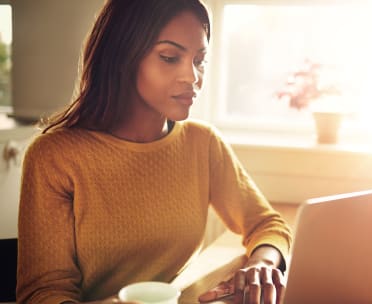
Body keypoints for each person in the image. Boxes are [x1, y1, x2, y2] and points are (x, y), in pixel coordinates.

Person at [16, 0, 292, 303]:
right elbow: (42, 293)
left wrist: (262, 265)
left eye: (199, 60)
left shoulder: (203, 143)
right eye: (170, 57)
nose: (192, 76)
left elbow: (267, 224)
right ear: (123, 57)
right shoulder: (55, 156)